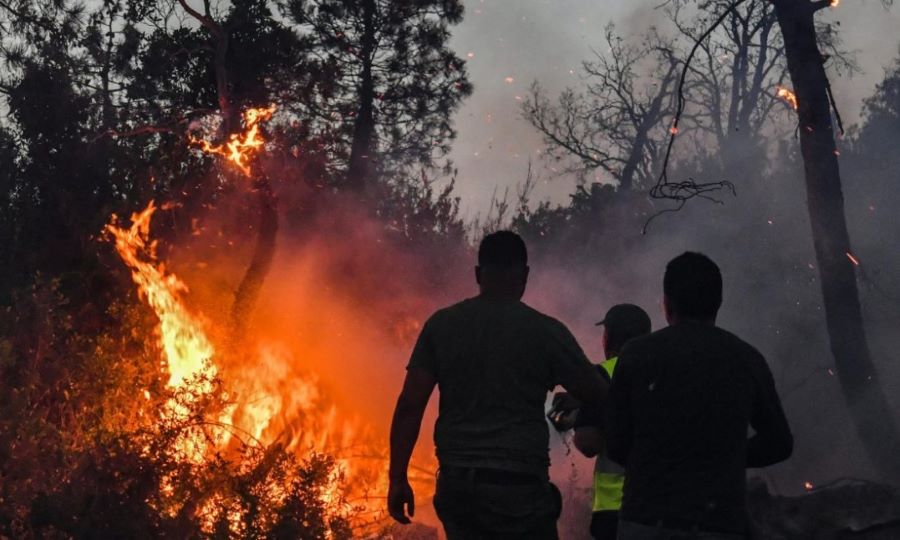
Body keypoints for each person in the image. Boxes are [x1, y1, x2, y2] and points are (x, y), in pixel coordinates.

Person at [387, 230, 608, 539]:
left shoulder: (442, 325)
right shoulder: (545, 332)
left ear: (478, 273)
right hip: (520, 489)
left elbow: (410, 405)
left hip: (459, 488)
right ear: (525, 274)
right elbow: (596, 393)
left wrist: (397, 479)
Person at [607, 252, 794, 539]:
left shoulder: (637, 355)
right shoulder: (745, 359)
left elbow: (617, 443)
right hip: (717, 524)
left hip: (645, 522)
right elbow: (779, 442)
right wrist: (723, 455)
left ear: (666, 304)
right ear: (718, 303)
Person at [571, 304, 651, 540]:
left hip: (615, 509)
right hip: (661, 505)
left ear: (608, 338)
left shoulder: (602, 374)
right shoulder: (664, 373)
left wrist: (577, 416)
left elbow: (588, 442)